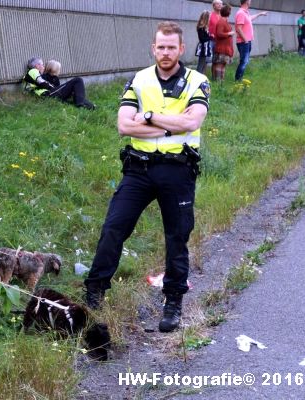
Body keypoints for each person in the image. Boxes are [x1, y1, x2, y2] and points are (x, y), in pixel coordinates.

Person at [84, 21, 209, 333]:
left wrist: (152, 117)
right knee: (114, 227)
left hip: (178, 170)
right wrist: (173, 124)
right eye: (160, 47)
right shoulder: (138, 80)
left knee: (176, 237)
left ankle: (174, 301)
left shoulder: (197, 81)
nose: (165, 52)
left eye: (171, 47)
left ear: (181, 49)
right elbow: (125, 125)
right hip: (138, 170)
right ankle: (95, 291)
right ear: (153, 48)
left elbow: (192, 122)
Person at [23, 57, 95, 110]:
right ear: (37, 66)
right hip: (47, 94)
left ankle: (90, 106)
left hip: (46, 94)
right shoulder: (33, 71)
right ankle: (81, 103)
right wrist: (55, 89)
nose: (43, 67)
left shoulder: (34, 74)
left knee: (73, 96)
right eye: (42, 65)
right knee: (78, 80)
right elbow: (42, 82)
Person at [234, 0, 267, 82]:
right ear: (246, 2)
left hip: (246, 41)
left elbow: (250, 18)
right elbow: (238, 28)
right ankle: (238, 80)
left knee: (245, 61)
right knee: (244, 61)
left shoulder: (245, 13)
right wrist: (245, 40)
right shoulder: (241, 13)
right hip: (243, 42)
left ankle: (239, 79)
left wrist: (259, 14)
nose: (251, 1)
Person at [212, 4, 234, 81]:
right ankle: (217, 82)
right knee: (219, 65)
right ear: (227, 12)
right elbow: (219, 33)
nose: (230, 13)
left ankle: (221, 82)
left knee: (223, 65)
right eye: (230, 11)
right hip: (222, 48)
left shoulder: (225, 21)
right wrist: (229, 33)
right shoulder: (221, 22)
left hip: (226, 48)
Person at [208, 0, 224, 66]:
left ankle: (214, 76)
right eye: (218, 4)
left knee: (217, 61)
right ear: (213, 6)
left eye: (221, 4)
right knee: (207, 61)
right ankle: (203, 75)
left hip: (220, 42)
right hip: (211, 41)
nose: (220, 5)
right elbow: (205, 27)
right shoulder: (210, 15)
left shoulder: (223, 16)